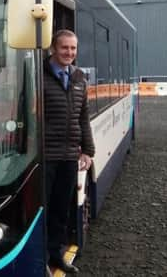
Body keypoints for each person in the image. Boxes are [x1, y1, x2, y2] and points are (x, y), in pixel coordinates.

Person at [43, 29, 94, 275]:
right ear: (53, 48)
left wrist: (88, 151)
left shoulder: (78, 78)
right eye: (65, 48)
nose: (69, 53)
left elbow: (83, 118)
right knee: (42, 211)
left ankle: (56, 257)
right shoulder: (37, 75)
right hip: (44, 158)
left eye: (73, 49)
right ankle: (39, 258)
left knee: (61, 211)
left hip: (68, 158)